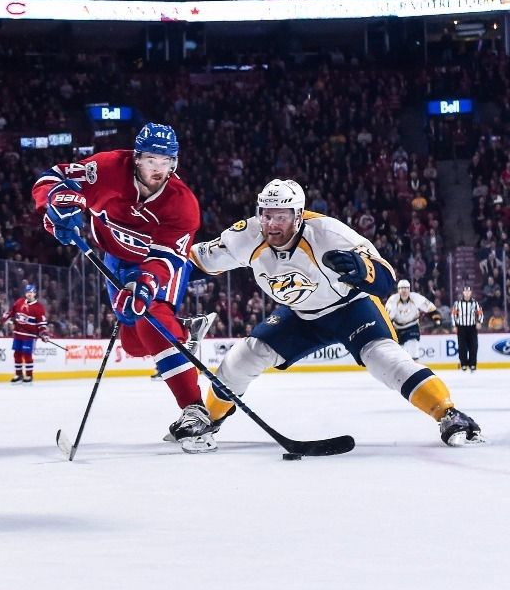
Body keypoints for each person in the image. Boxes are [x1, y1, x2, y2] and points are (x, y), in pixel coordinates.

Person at [189, 179, 483, 447]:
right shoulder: (246, 236)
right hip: (301, 314)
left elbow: (385, 279)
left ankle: (448, 414)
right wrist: (157, 276)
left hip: (351, 308)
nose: (272, 225)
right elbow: (192, 262)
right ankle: (209, 420)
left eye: (281, 216)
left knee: (386, 360)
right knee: (244, 356)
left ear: (299, 215)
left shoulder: (329, 234)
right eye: (267, 215)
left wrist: (362, 270)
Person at [33, 123, 217, 452]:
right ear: (136, 158)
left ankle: (194, 411)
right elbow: (50, 178)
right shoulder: (105, 169)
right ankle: (183, 330)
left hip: (158, 265)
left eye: (166, 162)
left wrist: (145, 284)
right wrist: (54, 207)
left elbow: (166, 260)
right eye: (150, 160)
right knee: (133, 344)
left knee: (151, 318)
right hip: (115, 259)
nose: (158, 169)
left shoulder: (182, 204)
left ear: (175, 163)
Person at [0, 283, 49, 384]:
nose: (29, 294)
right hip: (18, 334)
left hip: (30, 336)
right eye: (27, 292)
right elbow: (11, 312)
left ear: (35, 293)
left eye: (31, 292)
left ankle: (29, 375)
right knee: (17, 354)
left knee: (27, 355)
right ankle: (19, 374)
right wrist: (5, 317)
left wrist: (43, 333)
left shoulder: (39, 307)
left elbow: (42, 324)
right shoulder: (19, 302)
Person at [385, 279, 441, 360]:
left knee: (413, 347)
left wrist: (436, 318)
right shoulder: (392, 300)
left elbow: (430, 308)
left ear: (409, 289)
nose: (404, 290)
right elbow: (387, 318)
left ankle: (415, 370)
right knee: (401, 353)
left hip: (412, 326)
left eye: (406, 288)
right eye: (401, 288)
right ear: (398, 290)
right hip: (398, 329)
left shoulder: (416, 298)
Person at [451, 285, 483, 372]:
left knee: (474, 346)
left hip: (472, 327)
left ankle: (472, 364)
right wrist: (454, 325)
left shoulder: (475, 303)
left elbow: (480, 313)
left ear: (471, 292)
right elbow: (453, 314)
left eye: (469, 291)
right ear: (463, 293)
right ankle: (464, 364)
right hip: (461, 327)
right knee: (462, 346)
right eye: (465, 291)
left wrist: (479, 322)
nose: (467, 293)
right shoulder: (457, 303)